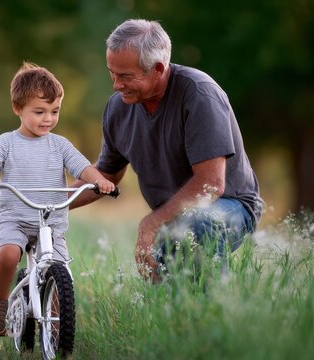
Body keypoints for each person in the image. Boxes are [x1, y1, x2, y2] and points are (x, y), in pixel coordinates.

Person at [70, 19, 264, 282]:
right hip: (175, 217)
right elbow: (106, 174)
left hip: (230, 206)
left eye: (126, 76)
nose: (116, 85)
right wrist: (49, 206)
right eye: (112, 73)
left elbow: (211, 184)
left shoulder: (199, 94)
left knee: (196, 228)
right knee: (167, 287)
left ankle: (214, 314)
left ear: (158, 69)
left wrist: (152, 223)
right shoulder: (118, 107)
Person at [0, 62, 115, 336]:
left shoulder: (60, 145)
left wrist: (99, 180)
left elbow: (83, 168)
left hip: (51, 222)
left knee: (61, 274)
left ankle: (58, 331)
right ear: (17, 108)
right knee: (10, 254)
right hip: (13, 218)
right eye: (39, 112)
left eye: (55, 111)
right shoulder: (7, 142)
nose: (48, 118)